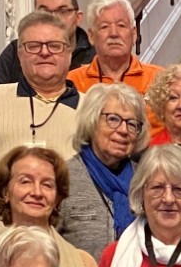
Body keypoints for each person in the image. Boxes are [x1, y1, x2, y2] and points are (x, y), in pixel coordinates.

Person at [0, 8, 82, 224]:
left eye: (54, 46)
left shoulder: (89, 108)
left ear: (69, 53)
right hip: (2, 243)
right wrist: (0, 219)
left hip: (68, 244)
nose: (45, 53)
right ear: (19, 54)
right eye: (33, 46)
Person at [61, 83, 150, 252]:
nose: (123, 130)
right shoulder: (64, 178)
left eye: (132, 124)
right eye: (113, 119)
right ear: (92, 121)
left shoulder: (146, 179)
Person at [0, 0, 95, 85]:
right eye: (45, 12)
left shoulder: (95, 53)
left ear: (78, 17)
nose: (53, 18)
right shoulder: (17, 49)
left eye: (62, 11)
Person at [68, 0, 162, 97]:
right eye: (104, 27)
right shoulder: (71, 83)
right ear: (91, 36)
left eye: (121, 25)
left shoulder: (158, 79)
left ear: (134, 34)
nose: (114, 33)